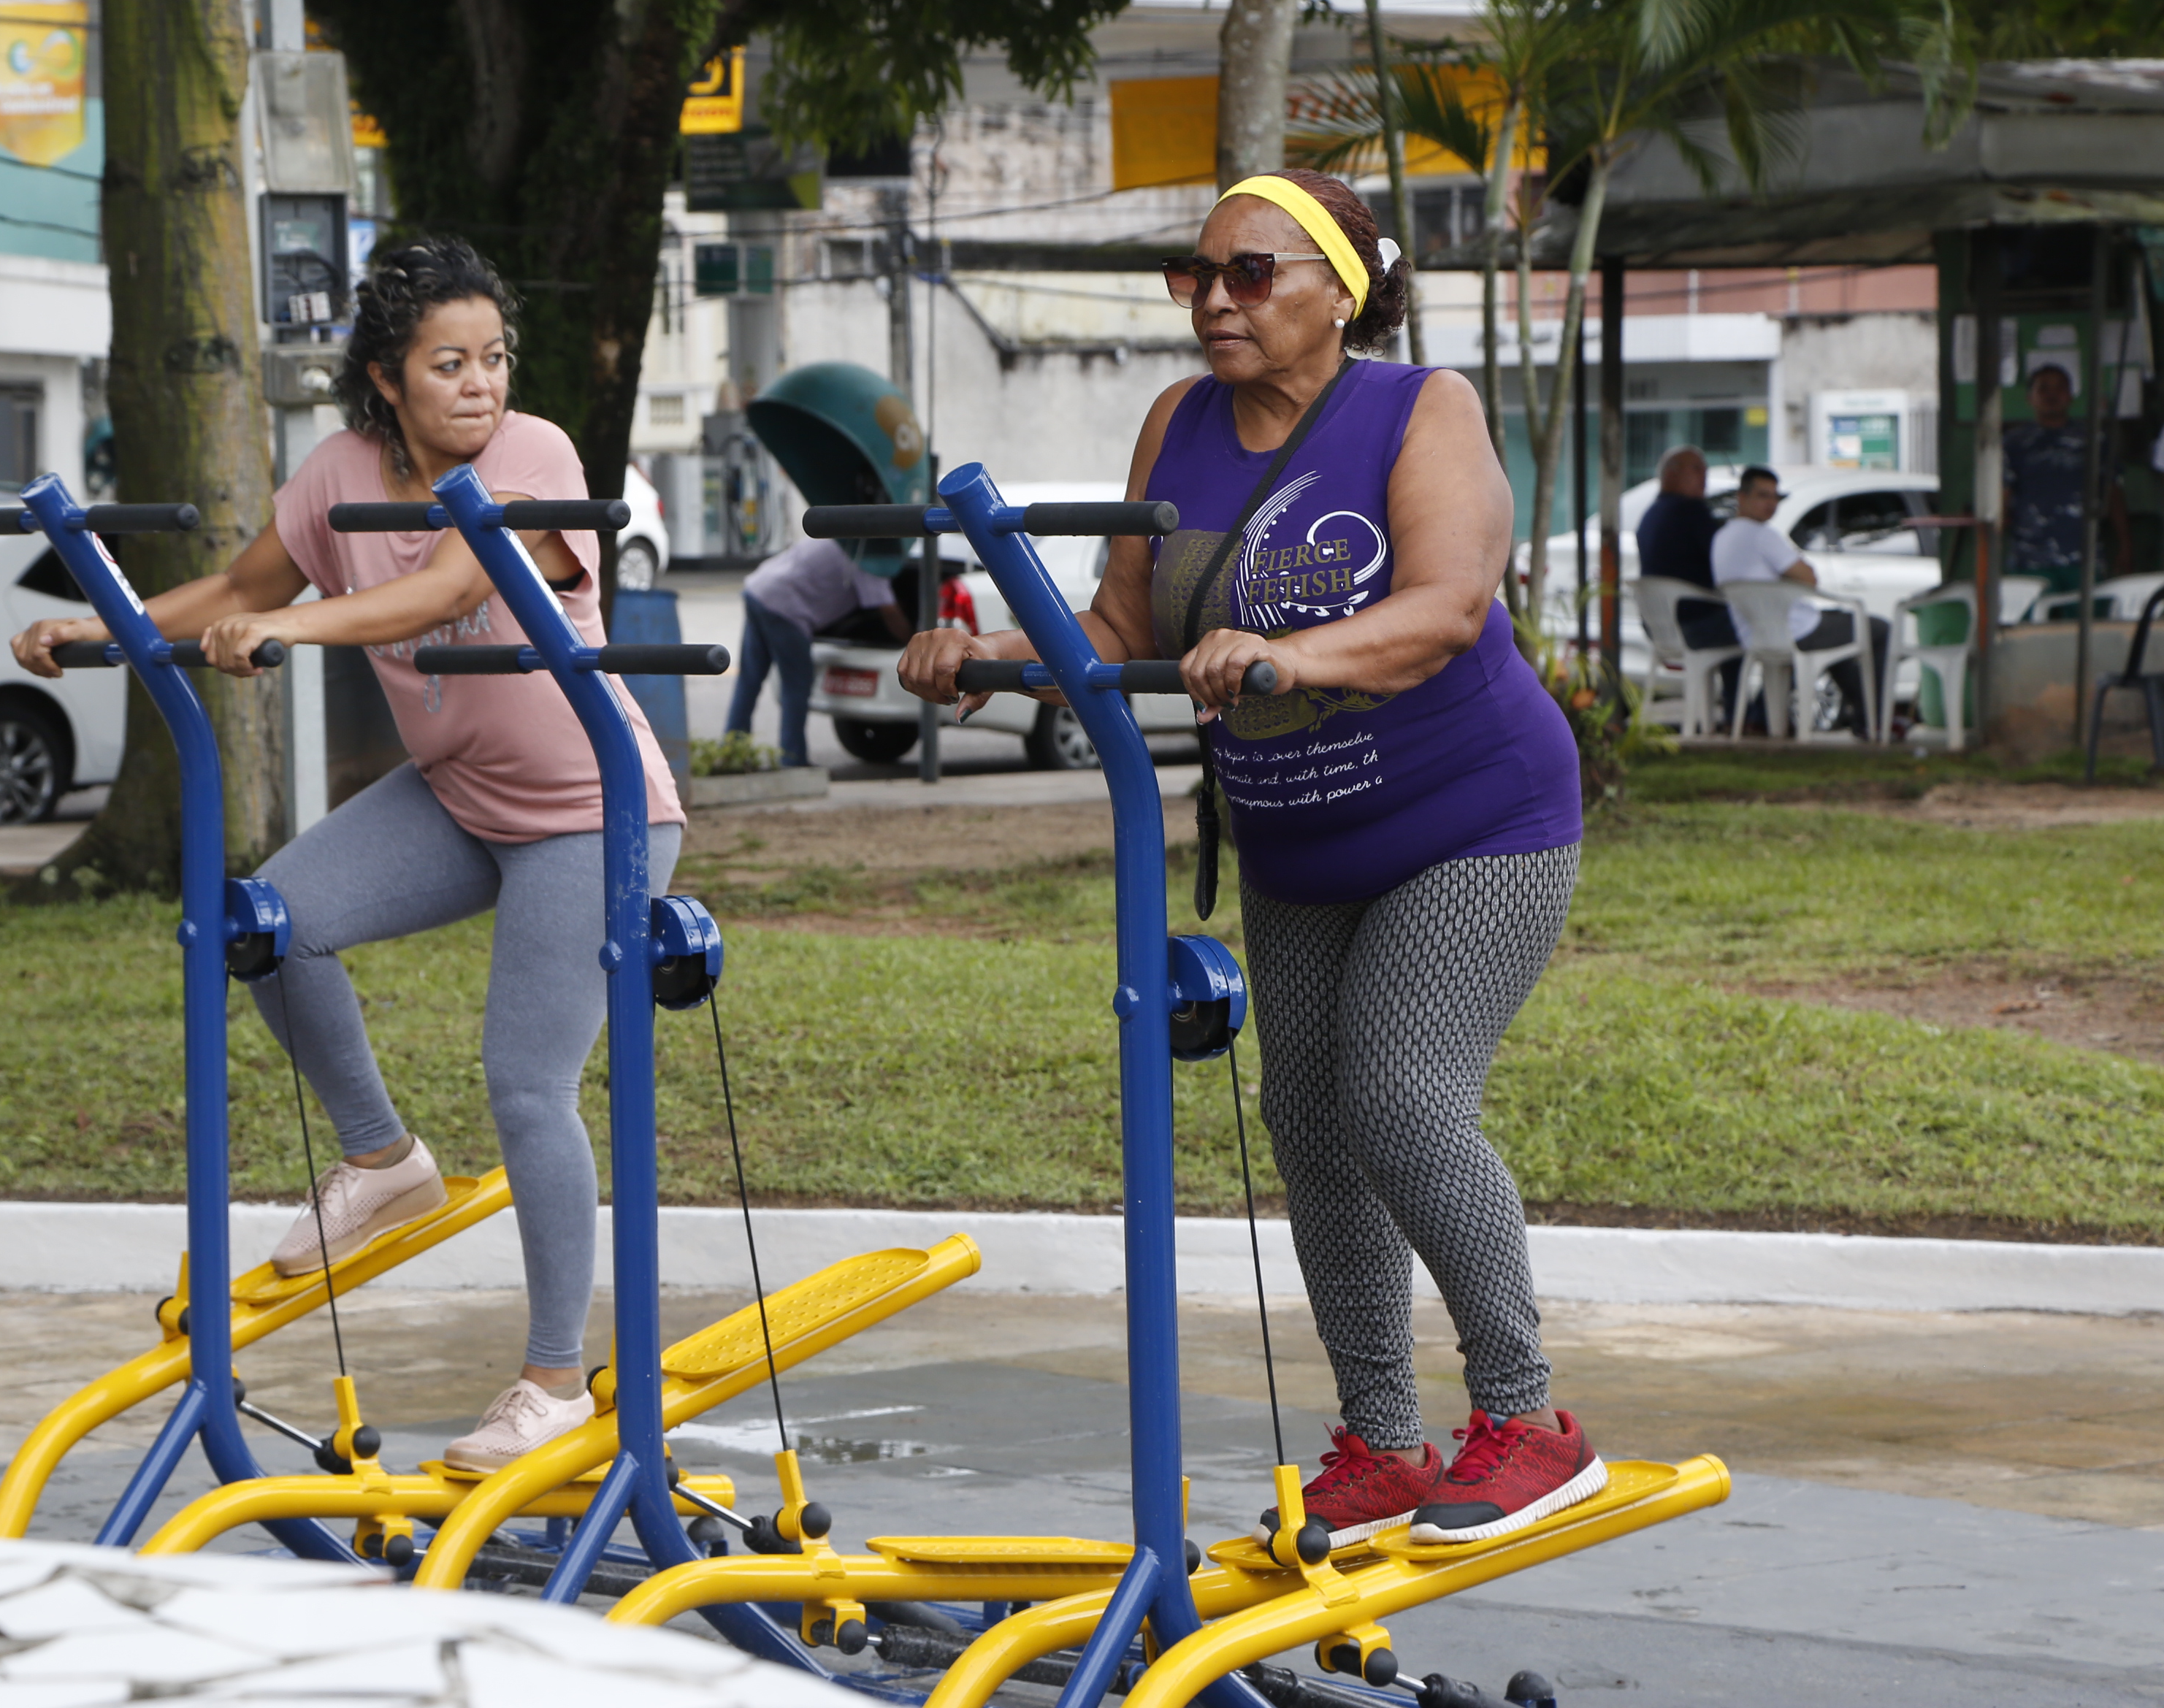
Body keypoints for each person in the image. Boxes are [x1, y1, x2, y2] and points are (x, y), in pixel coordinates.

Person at [899, 169, 1601, 1549]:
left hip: (1476, 819)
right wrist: (991, 659)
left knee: (1399, 1099)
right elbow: (1113, 627)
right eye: (1197, 273)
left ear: (1342, 290)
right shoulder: (1180, 424)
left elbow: (1451, 606)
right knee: (1308, 1126)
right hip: (1295, 839)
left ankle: (1529, 1421)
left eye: (1253, 273)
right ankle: (1386, 1442)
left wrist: (1288, 654)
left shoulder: (1419, 409)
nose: (1217, 299)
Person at [9, 237, 681, 1471]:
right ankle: (384, 1161)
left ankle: (551, 1383)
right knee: (264, 920)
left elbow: (434, 592)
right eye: (448, 364)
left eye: (494, 358)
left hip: (595, 810)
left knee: (527, 1084)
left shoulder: (533, 457)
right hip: (458, 793)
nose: (480, 384)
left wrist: (287, 625)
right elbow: (234, 585)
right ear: (385, 377)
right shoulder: (336, 476)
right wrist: (95, 626)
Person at [1710, 465, 1889, 735]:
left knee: (1840, 637)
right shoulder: (1763, 535)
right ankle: (1874, 721)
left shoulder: (1721, 538)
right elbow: (1808, 578)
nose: (1771, 504)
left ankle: (1866, 718)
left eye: (1775, 497)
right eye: (1763, 496)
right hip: (1797, 631)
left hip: (1755, 635)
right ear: (1742, 497)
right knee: (1879, 629)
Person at [725, 537, 911, 765]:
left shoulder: (843, 534)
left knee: (749, 679)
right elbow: (888, 610)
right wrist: (913, 642)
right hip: (786, 608)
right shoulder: (870, 558)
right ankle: (792, 759)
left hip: (759, 589)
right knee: (796, 686)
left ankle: (732, 754)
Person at [1634, 445, 1737, 724]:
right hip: (1695, 625)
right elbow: (1726, 561)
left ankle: (1743, 716)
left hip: (1661, 626)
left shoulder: (1651, 514)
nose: (1704, 476)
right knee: (1755, 625)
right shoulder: (1691, 512)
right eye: (1696, 469)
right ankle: (1747, 717)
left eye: (1705, 470)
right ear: (1671, 474)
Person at [2004, 364, 2130, 593]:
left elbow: (2113, 492)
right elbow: (2002, 494)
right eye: (2043, 389)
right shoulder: (2013, 444)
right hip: (2030, 558)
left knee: (2091, 626)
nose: (2052, 395)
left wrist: (2124, 543)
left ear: (2071, 396)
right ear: (2029, 398)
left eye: (2060, 388)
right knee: (2030, 628)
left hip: (2084, 556)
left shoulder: (2094, 441)